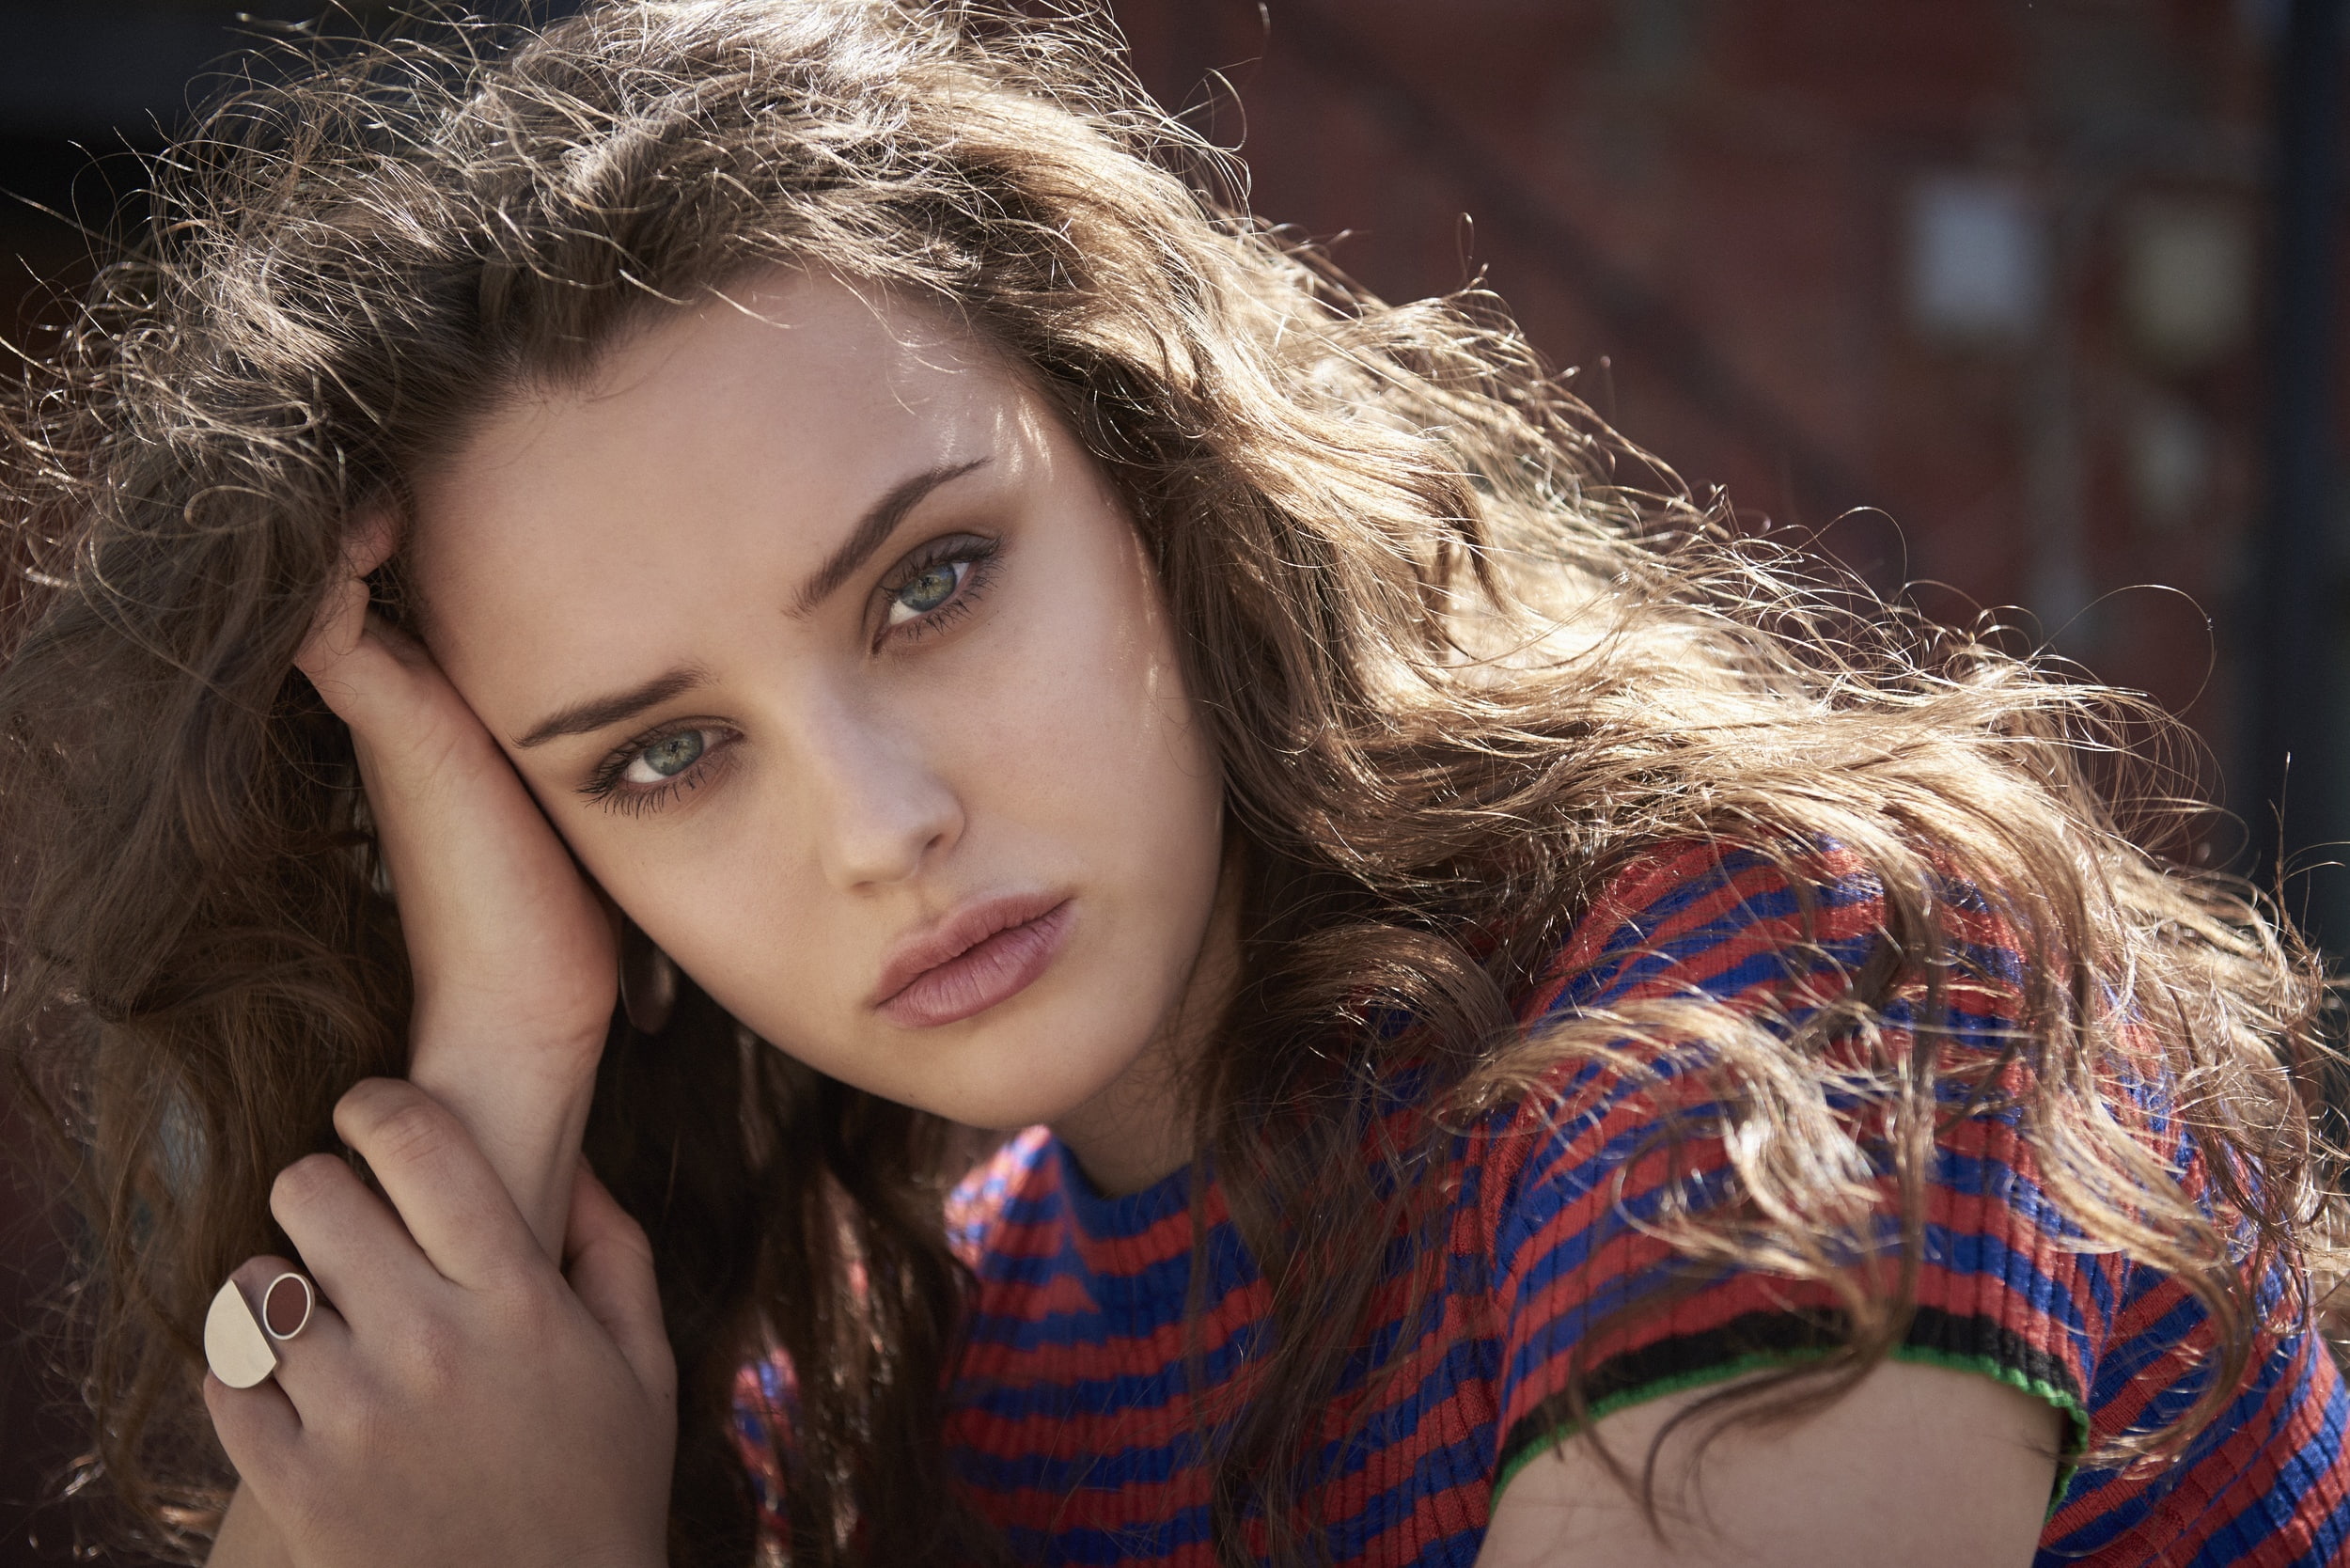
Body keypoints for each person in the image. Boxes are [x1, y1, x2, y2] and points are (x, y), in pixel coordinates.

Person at [2, 2, 2344, 1564]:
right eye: (665, 756)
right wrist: (503, 1066)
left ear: (1163, 481)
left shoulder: (1772, 1014)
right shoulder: (951, 1331)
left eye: (928, 586)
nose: (873, 819)